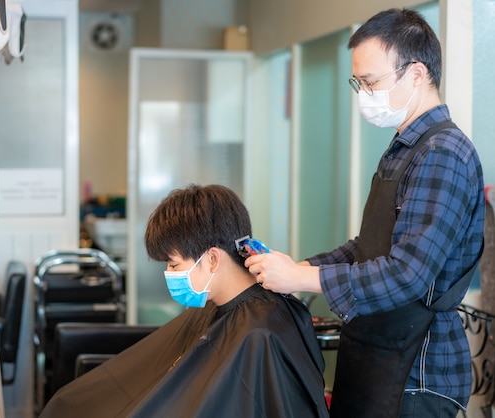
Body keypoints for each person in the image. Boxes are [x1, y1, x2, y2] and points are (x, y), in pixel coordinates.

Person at [245, 8, 484, 418]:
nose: (364, 95)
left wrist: (304, 278)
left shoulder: (443, 154)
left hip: (417, 372)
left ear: (416, 74)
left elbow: (407, 272)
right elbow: (368, 246)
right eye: (359, 83)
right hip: (377, 354)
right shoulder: (404, 149)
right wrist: (294, 271)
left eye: (371, 82)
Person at [40, 184, 329, 417]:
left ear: (213, 258)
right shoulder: (222, 306)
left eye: (174, 265)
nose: (169, 274)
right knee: (69, 403)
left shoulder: (260, 335)